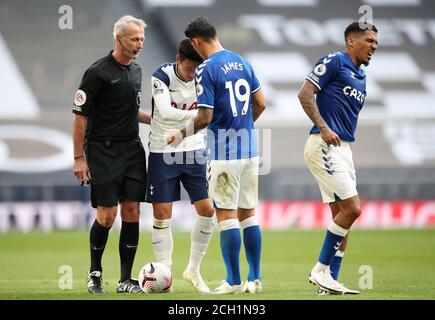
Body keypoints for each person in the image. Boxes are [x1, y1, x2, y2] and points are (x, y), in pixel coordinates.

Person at [168, 17, 267, 294]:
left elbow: (205, 117)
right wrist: (243, 127)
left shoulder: (206, 69)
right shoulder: (243, 62)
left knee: (226, 215)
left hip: (224, 151)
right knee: (248, 213)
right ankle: (255, 279)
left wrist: (181, 133)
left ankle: (234, 281)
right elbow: (261, 103)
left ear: (196, 42)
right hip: (250, 148)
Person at [298, 21, 378, 295]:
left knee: (342, 217)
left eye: (376, 42)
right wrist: (324, 127)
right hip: (323, 145)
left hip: (343, 149)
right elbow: (305, 93)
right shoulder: (334, 61)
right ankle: (320, 270)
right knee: (353, 209)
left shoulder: (361, 76)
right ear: (351, 41)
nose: (374, 46)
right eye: (369, 40)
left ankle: (328, 282)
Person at [72, 15, 151, 294]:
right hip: (102, 150)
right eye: (135, 39)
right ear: (119, 39)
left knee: (132, 211)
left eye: (142, 38)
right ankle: (95, 272)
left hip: (131, 149)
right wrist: (79, 158)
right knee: (107, 214)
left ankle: (126, 280)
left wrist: (156, 120)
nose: (140, 43)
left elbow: (130, 111)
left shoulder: (137, 71)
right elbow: (80, 117)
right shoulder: (97, 72)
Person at [146, 39, 215, 294]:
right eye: (189, 70)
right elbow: (163, 112)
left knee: (207, 210)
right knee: (162, 214)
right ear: (178, 59)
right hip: (162, 150)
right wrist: (204, 114)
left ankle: (194, 270)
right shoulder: (161, 76)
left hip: (194, 148)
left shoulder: (205, 75)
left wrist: (206, 115)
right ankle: (165, 274)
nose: (193, 75)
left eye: (198, 70)